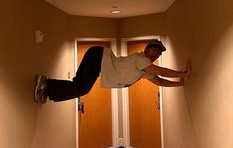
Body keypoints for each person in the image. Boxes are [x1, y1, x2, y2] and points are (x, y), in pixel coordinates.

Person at [34, 40, 191, 103]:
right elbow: (161, 71)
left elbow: (159, 80)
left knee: (80, 88)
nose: (154, 56)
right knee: (81, 88)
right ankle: (46, 85)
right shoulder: (140, 59)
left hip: (98, 60)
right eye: (152, 53)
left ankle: (48, 89)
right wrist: (183, 73)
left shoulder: (144, 69)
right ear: (146, 50)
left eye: (156, 56)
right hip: (98, 57)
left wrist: (180, 84)